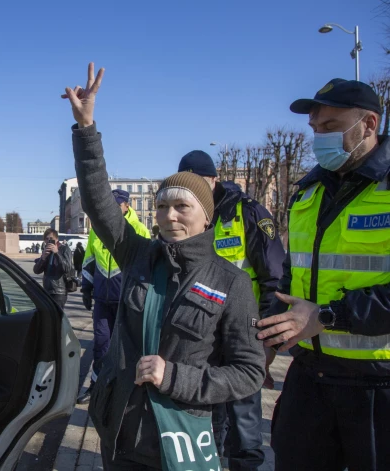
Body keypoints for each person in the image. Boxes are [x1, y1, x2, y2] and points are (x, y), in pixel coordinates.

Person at [63, 63, 264, 470]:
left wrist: (174, 376)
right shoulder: (140, 255)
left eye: (181, 206)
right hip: (121, 433)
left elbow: (247, 374)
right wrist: (87, 131)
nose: (169, 216)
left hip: (181, 438)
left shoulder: (232, 282)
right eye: (161, 206)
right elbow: (99, 204)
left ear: (205, 216)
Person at [256, 79, 390, 470]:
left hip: (378, 387)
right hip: (311, 378)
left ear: (368, 124)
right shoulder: (308, 192)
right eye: (315, 130)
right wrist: (270, 339)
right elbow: (290, 279)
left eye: (330, 128)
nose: (319, 139)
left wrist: (329, 316)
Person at [178, 150, 285, 470]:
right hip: (202, 335)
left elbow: (274, 279)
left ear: (213, 180)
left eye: (196, 183)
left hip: (244, 333)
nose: (190, 192)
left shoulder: (247, 213)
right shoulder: (188, 217)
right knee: (206, 420)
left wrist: (267, 339)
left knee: (244, 425)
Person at [77, 189, 150, 405]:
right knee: (101, 345)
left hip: (125, 301)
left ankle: (124, 393)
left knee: (126, 349)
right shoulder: (97, 230)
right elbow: (89, 261)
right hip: (102, 299)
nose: (114, 210)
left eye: (118, 206)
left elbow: (144, 269)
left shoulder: (139, 230)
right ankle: (97, 388)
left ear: (127, 206)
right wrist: (86, 289)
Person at [33, 228, 73, 308]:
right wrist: (43, 258)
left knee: (56, 317)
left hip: (59, 291)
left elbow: (67, 268)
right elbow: (36, 270)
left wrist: (57, 253)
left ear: (57, 239)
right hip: (47, 290)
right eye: (46, 239)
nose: (48, 241)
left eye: (51, 239)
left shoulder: (64, 249)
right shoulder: (46, 251)